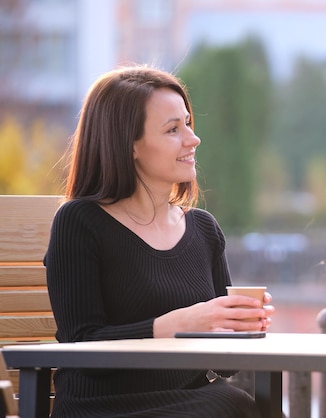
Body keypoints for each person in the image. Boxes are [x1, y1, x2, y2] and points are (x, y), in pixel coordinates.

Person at [45, 65, 275, 418]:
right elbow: (82, 346)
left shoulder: (204, 229)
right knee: (233, 407)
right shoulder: (80, 222)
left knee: (242, 404)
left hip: (194, 402)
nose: (192, 139)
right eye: (172, 129)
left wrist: (239, 325)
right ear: (129, 145)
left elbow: (225, 367)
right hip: (103, 407)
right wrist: (180, 323)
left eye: (188, 123)